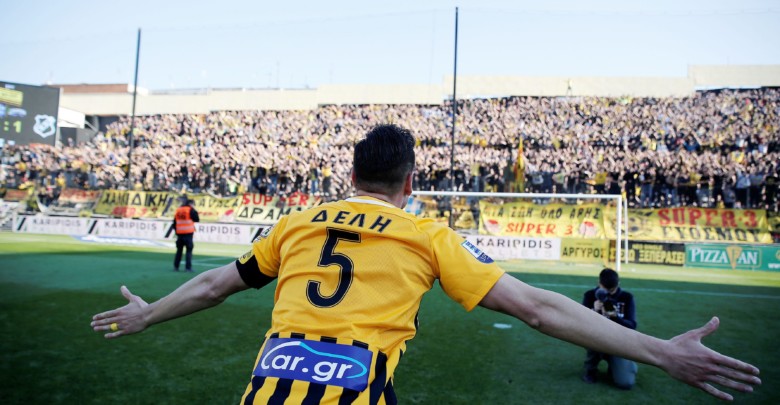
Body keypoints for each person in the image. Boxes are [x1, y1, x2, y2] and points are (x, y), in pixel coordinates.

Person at [91, 124, 760, 404]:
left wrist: (149, 314)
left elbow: (214, 284)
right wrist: (660, 352)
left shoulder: (298, 222)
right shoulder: (428, 234)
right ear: (409, 182)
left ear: (351, 176)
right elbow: (537, 308)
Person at [581, 268, 637, 389]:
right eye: (605, 289)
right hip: (596, 340)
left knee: (625, 383)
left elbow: (632, 325)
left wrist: (615, 317)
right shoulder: (590, 296)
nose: (608, 293)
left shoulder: (627, 298)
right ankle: (590, 369)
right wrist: (593, 311)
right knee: (594, 337)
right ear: (599, 283)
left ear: (618, 284)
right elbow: (580, 324)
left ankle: (625, 365)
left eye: (612, 290)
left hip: (619, 343)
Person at [173, 196, 199, 272]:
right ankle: (188, 268)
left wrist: (177, 231)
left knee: (179, 251)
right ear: (190, 204)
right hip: (188, 233)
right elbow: (197, 219)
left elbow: (174, 222)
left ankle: (176, 266)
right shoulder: (190, 210)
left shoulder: (178, 210)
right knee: (188, 251)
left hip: (180, 234)